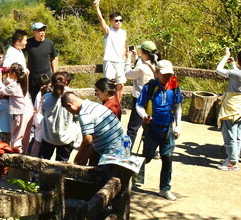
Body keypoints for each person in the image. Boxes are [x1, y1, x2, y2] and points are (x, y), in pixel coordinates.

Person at [133, 60, 183, 200]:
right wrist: (144, 116)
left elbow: (177, 106)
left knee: (167, 158)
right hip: (152, 128)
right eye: (164, 74)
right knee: (147, 157)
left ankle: (165, 188)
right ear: (156, 73)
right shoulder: (149, 87)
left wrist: (178, 126)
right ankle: (133, 178)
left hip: (168, 128)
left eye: (169, 74)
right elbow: (139, 105)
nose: (167, 77)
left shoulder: (174, 86)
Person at [216, 48, 241, 171]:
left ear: (240, 61)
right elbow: (238, 73)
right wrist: (233, 63)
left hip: (232, 108)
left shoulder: (237, 74)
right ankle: (233, 158)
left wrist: (225, 56)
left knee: (229, 135)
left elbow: (218, 69)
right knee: (238, 136)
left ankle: (232, 162)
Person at [61, 90, 125, 165]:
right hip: (121, 144)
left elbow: (87, 141)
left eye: (68, 110)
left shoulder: (84, 114)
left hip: (111, 151)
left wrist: (77, 160)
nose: (71, 112)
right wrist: (84, 157)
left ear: (69, 105)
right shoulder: (92, 104)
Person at [36, 72, 80, 162]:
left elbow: (43, 111)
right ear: (66, 83)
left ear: (51, 83)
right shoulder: (71, 98)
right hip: (66, 138)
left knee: (42, 163)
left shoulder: (46, 97)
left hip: (48, 137)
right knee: (61, 166)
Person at [124, 40, 159, 151]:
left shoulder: (142, 68)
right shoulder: (156, 63)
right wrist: (136, 58)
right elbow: (142, 65)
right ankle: (150, 151)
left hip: (140, 99)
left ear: (144, 52)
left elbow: (128, 74)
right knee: (148, 127)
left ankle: (127, 151)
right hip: (152, 100)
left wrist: (128, 59)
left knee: (132, 128)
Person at [93, 0, 127, 104]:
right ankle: (107, 104)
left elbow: (124, 46)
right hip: (109, 60)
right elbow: (101, 21)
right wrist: (97, 7)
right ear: (111, 21)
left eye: (120, 20)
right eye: (116, 20)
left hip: (120, 62)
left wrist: (125, 59)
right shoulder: (109, 31)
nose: (119, 22)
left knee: (121, 84)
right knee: (108, 85)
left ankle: (117, 105)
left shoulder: (123, 33)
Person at [0, 63, 33, 153]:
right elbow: (10, 84)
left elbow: (3, 90)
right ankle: (23, 153)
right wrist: (7, 78)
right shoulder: (22, 81)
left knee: (16, 136)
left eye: (9, 72)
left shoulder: (14, 86)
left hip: (20, 113)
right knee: (25, 136)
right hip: (28, 111)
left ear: (13, 74)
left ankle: (15, 154)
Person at [25, 22, 59, 101]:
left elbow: (53, 58)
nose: (42, 32)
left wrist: (55, 74)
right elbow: (19, 52)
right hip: (33, 79)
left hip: (46, 78)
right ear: (34, 32)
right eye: (40, 30)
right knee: (34, 100)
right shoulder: (28, 43)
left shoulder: (49, 43)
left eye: (43, 30)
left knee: (48, 99)